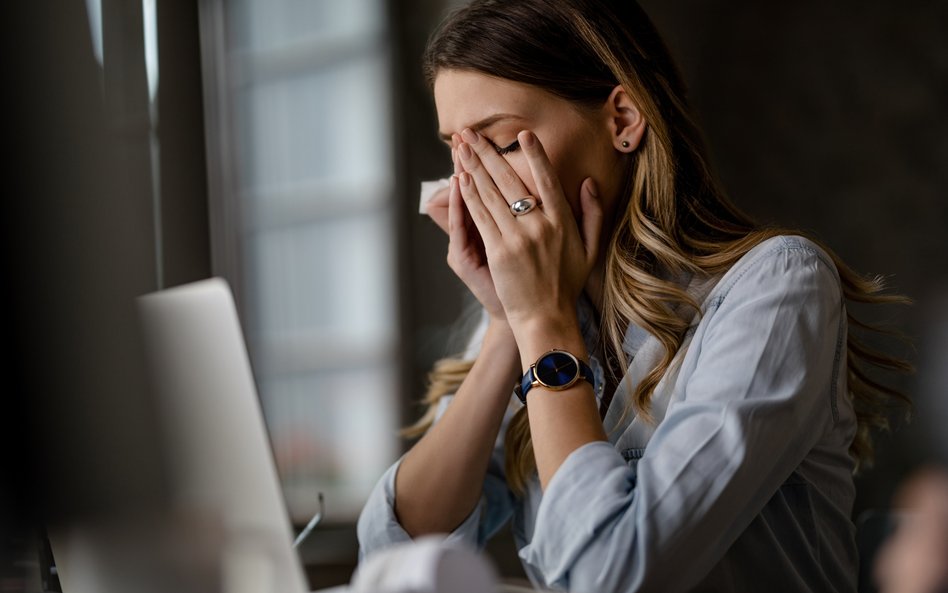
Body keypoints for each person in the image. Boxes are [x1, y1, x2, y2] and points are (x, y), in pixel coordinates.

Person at [357, 1, 911, 591]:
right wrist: (505, 325)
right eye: (459, 154)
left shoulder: (778, 288)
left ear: (621, 120)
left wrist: (541, 324)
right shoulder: (532, 311)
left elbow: (614, 575)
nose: (473, 186)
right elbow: (395, 552)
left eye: (502, 145)